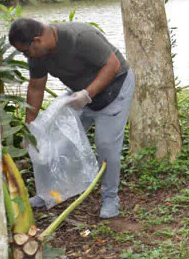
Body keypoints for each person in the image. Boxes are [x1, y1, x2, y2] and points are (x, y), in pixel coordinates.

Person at [9, 18, 135, 218]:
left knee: (106, 147)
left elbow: (112, 65)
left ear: (37, 40)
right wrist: (29, 125)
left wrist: (87, 94)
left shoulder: (80, 37)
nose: (26, 56)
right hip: (79, 95)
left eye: (25, 51)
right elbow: (35, 87)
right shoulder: (37, 55)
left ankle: (110, 198)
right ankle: (50, 192)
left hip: (115, 89)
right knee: (57, 140)